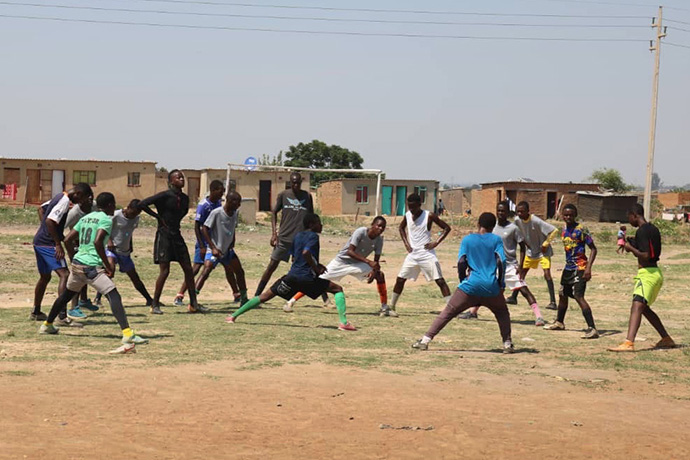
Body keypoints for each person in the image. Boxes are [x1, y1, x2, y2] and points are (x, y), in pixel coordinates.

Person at [38, 192, 149, 354]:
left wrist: (73, 257)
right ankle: (127, 334)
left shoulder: (85, 218)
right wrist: (107, 265)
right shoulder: (105, 219)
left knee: (66, 295)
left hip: (77, 264)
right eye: (114, 204)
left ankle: (47, 325)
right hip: (91, 267)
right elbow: (98, 242)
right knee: (113, 295)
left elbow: (68, 239)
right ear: (110, 205)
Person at [226, 213, 356, 331]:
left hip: (292, 276)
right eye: (318, 222)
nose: (321, 225)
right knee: (337, 289)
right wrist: (316, 268)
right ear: (311, 225)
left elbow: (294, 257)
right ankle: (344, 323)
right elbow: (306, 253)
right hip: (307, 278)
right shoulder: (313, 237)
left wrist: (316, 264)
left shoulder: (298, 236)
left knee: (265, 296)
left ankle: (233, 316)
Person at [411, 212, 514, 353]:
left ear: (478, 224)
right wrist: (501, 284)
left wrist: (462, 280)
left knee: (448, 312)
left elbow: (461, 262)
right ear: (493, 226)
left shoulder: (468, 240)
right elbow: (501, 261)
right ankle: (507, 344)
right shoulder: (496, 240)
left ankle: (425, 340)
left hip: (470, 285)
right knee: (502, 312)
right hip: (491, 286)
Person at [457, 201, 546, 326]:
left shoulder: (513, 228)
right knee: (485, 289)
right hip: (494, 265)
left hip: (509, 265)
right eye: (498, 210)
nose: (500, 213)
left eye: (503, 211)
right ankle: (473, 312)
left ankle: (539, 316)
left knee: (523, 289)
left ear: (508, 212)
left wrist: (520, 266)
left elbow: (522, 246)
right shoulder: (492, 228)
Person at [283, 216, 391, 316]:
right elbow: (350, 252)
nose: (380, 228)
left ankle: (384, 307)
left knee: (380, 275)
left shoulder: (379, 240)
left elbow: (375, 262)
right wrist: (368, 262)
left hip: (358, 264)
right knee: (320, 279)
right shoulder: (361, 232)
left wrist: (374, 271)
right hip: (341, 261)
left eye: (383, 227)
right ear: (372, 224)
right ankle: (291, 301)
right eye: (378, 225)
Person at [608, 204, 676, 352]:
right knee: (644, 309)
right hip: (654, 273)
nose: (629, 220)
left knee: (637, 305)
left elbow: (645, 255)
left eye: (629, 217)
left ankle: (629, 342)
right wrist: (631, 243)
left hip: (648, 274)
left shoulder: (642, 231)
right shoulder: (652, 229)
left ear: (634, 215)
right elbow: (649, 250)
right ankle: (666, 338)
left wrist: (630, 248)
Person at [139, 169, 206, 314]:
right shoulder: (164, 196)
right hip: (164, 236)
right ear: (171, 181)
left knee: (188, 269)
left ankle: (194, 303)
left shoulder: (185, 198)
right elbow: (142, 204)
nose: (182, 179)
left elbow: (182, 212)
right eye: (178, 177)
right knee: (165, 271)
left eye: (182, 177)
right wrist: (157, 217)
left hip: (177, 235)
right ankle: (154, 304)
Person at [253, 172, 323, 303]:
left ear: (301, 183)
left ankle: (325, 299)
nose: (295, 185)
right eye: (293, 183)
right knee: (272, 266)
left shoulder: (307, 196)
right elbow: (274, 213)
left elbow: (312, 217)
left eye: (298, 183)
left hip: (300, 240)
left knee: (309, 267)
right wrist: (274, 234)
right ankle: (257, 295)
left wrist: (311, 234)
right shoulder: (284, 195)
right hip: (284, 238)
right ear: (290, 183)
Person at [30, 183, 92, 326]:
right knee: (64, 275)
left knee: (45, 277)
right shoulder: (64, 202)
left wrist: (43, 229)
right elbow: (50, 221)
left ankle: (36, 311)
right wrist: (57, 243)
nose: (81, 202)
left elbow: (41, 209)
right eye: (82, 199)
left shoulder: (59, 196)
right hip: (48, 244)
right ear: (77, 194)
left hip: (39, 241)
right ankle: (62, 316)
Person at [173, 180, 236, 305]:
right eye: (220, 191)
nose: (222, 195)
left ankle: (237, 294)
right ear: (213, 190)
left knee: (228, 267)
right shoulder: (203, 205)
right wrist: (201, 245)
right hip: (205, 242)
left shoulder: (218, 203)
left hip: (217, 242)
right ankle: (180, 295)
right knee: (196, 269)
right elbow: (198, 226)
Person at [389, 193, 452, 315]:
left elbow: (447, 228)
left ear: (419, 204)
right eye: (409, 207)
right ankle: (391, 307)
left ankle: (451, 309)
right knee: (400, 279)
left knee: (440, 281)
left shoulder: (429, 216)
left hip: (427, 254)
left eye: (413, 207)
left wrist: (436, 242)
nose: (411, 210)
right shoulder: (407, 215)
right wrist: (406, 244)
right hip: (413, 255)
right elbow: (401, 228)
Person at [543, 204, 599, 339]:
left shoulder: (581, 230)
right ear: (562, 215)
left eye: (571, 215)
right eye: (566, 215)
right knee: (562, 294)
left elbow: (593, 249)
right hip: (568, 268)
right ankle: (559, 322)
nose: (568, 217)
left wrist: (588, 268)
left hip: (580, 268)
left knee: (579, 296)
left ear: (575, 215)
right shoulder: (563, 230)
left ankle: (592, 328)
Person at [93, 199, 153, 307]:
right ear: (128, 207)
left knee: (134, 276)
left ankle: (149, 299)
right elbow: (105, 229)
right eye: (133, 212)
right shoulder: (116, 215)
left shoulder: (136, 218)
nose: (134, 215)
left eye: (137, 213)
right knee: (110, 270)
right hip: (111, 249)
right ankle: (97, 298)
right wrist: (110, 241)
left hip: (124, 251)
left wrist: (130, 246)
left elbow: (129, 233)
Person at [193, 191, 248, 304]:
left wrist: (232, 240)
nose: (239, 205)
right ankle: (193, 299)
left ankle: (244, 298)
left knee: (239, 271)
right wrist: (212, 247)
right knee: (206, 270)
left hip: (227, 250)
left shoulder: (235, 213)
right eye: (237, 202)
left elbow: (232, 228)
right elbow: (204, 228)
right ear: (230, 201)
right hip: (215, 250)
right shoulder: (217, 213)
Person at [508, 201, 560, 310]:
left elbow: (554, 230)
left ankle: (553, 302)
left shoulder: (535, 221)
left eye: (522, 211)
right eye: (518, 212)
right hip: (530, 251)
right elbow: (516, 232)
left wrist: (546, 244)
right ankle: (513, 297)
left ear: (528, 211)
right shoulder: (517, 221)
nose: (520, 214)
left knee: (547, 274)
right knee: (521, 274)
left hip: (543, 252)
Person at [64, 196, 98, 317]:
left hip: (87, 245)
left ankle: (83, 300)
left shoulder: (94, 206)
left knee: (85, 273)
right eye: (87, 196)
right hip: (75, 244)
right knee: (78, 275)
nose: (90, 199)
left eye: (91, 196)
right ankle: (74, 306)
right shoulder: (74, 213)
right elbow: (62, 227)